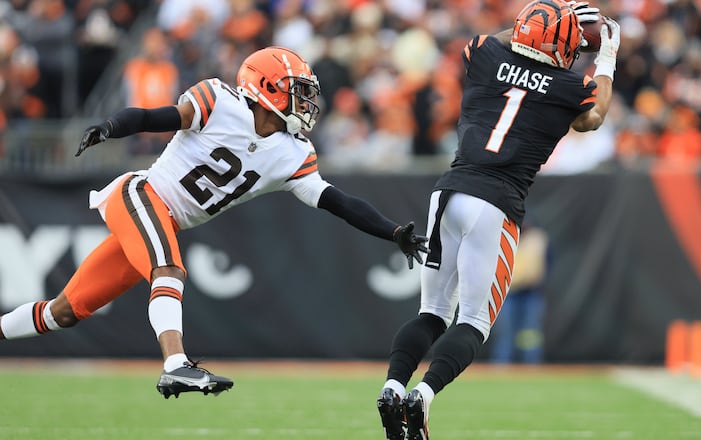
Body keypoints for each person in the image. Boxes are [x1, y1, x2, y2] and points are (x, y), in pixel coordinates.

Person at [0, 46, 428, 399]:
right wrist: (111, 126)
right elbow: (155, 117)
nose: (306, 100)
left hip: (162, 221)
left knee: (65, 311)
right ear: (266, 88)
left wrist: (392, 231)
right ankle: (175, 365)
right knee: (168, 270)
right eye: (296, 90)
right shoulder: (219, 101)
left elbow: (339, 201)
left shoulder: (292, 154)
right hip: (140, 196)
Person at [375, 1, 620, 439]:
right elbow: (594, 117)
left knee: (431, 313)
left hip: (446, 194)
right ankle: (423, 396)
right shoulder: (570, 85)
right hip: (496, 204)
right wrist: (607, 57)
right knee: (473, 321)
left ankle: (393, 385)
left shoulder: (486, 54)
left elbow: (497, 41)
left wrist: (541, 22)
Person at [489, 223, 551, 364]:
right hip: (508, 292)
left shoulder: (537, 239)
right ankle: (501, 366)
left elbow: (548, 262)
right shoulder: (504, 234)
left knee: (530, 332)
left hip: (532, 292)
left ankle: (531, 366)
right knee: (505, 332)